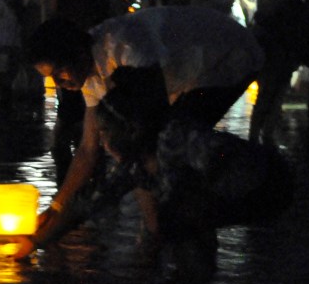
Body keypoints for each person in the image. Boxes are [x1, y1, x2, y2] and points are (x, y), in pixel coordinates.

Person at [14, 6, 264, 258]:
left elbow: (146, 136)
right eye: (50, 78)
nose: (58, 84)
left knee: (170, 152)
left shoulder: (127, 46)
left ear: (78, 53)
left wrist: (40, 239)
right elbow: (88, 149)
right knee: (152, 156)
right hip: (181, 77)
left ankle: (195, 240)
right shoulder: (90, 73)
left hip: (225, 55)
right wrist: (56, 207)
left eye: (58, 72)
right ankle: (173, 234)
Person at [92, 67, 292, 261]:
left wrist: (197, 187)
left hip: (270, 183)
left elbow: (218, 153)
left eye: (104, 131)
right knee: (174, 213)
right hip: (233, 191)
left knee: (177, 213)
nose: (101, 142)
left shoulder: (174, 137)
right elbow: (100, 197)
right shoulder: (134, 164)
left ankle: (194, 277)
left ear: (130, 130)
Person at [37, 0, 118, 186]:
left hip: (102, 52)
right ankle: (67, 183)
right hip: (70, 53)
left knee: (103, 120)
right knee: (70, 117)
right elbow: (48, 10)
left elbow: (111, 3)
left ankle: (93, 183)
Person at [248, 0, 304, 145]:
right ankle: (254, 136)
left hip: (286, 36)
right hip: (272, 36)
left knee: (280, 88)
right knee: (268, 88)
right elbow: (268, 7)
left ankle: (267, 134)